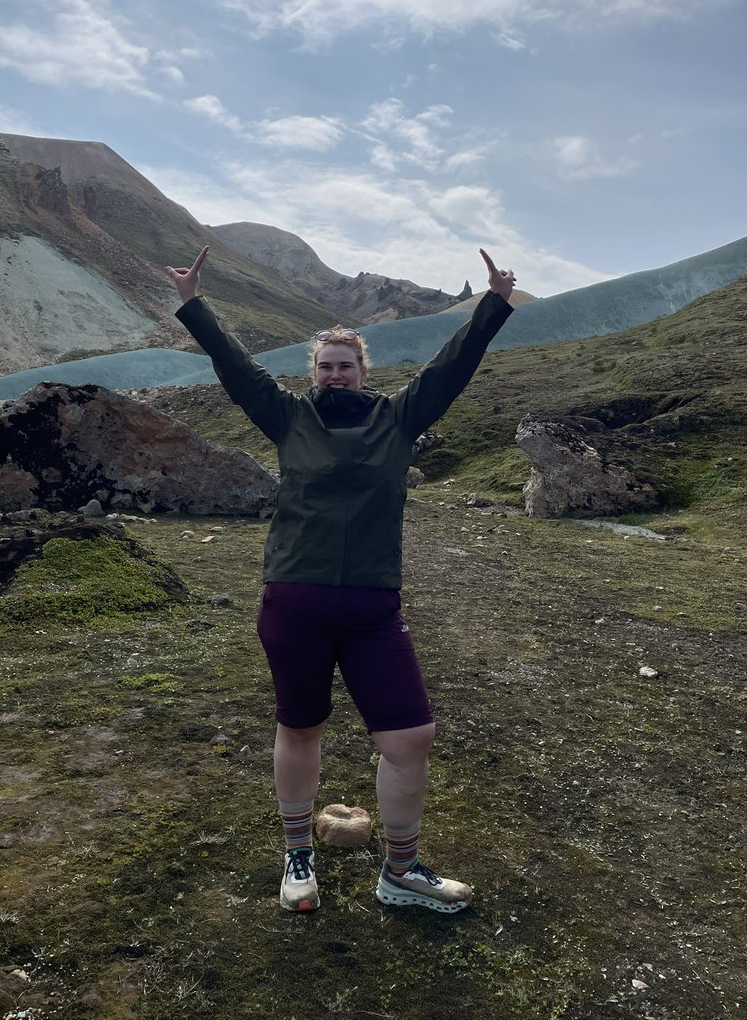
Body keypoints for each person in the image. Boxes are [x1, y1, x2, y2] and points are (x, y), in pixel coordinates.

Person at [168, 246, 515, 913]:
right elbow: (235, 369)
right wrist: (193, 305)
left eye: (345, 366)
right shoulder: (288, 417)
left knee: (410, 736)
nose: (334, 375)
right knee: (301, 728)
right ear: (314, 374)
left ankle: (401, 870)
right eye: (324, 367)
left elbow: (451, 368)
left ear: (363, 371)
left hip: (372, 607)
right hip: (294, 602)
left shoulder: (399, 419)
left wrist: (493, 303)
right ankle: (298, 856)